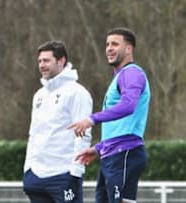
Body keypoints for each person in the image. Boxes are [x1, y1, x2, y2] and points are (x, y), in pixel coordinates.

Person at [68, 27, 151, 203]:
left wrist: (92, 119)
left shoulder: (132, 73)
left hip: (125, 153)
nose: (109, 48)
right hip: (111, 154)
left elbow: (128, 106)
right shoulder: (119, 77)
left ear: (129, 49)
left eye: (115, 44)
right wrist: (99, 148)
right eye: (107, 44)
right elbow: (120, 126)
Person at [23, 41, 93, 203]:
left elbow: (83, 135)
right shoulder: (39, 95)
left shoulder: (77, 93)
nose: (42, 65)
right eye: (40, 61)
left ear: (61, 61)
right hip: (36, 176)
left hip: (63, 175)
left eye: (46, 61)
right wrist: (28, 169)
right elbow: (33, 134)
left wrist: (75, 172)